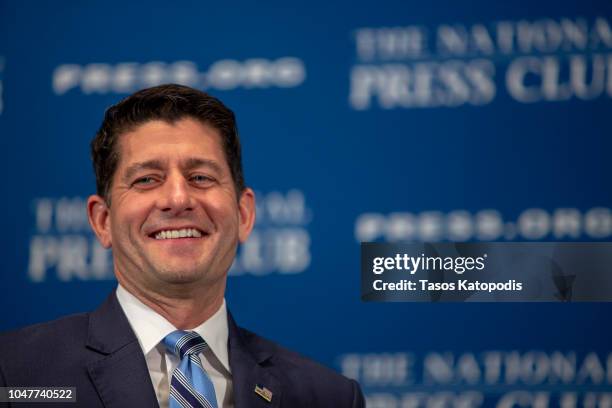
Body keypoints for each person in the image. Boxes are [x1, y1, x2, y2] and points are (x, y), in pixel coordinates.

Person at [0, 84, 364, 408]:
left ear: (244, 214)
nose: (177, 198)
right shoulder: (13, 375)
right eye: (146, 179)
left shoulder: (328, 396)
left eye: (200, 177)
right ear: (103, 221)